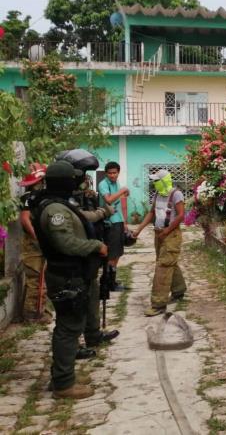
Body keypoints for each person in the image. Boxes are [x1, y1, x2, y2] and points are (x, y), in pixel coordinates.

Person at [32, 160, 108, 399]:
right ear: (64, 182)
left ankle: (62, 376)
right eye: (73, 179)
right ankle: (63, 384)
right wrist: (95, 245)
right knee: (68, 327)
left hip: (73, 273)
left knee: (70, 326)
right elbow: (65, 243)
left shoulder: (60, 205)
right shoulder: (54, 210)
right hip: (66, 275)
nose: (78, 182)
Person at [56, 150, 120, 357]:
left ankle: (93, 334)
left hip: (88, 256)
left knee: (93, 294)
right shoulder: (60, 201)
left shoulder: (83, 196)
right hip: (73, 262)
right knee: (75, 307)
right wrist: (103, 212)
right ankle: (72, 348)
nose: (84, 178)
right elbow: (84, 218)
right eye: (81, 173)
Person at [133, 170, 187, 317]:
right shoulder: (157, 194)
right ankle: (179, 290)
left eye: (157, 180)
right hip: (159, 234)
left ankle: (158, 304)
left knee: (163, 266)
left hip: (171, 235)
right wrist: (139, 229)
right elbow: (151, 213)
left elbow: (181, 215)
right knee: (168, 262)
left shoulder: (176, 194)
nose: (154, 183)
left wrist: (167, 230)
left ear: (164, 181)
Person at [18, 163, 52, 323]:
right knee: (36, 281)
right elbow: (25, 220)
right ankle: (33, 316)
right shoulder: (28, 198)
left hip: (38, 243)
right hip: (33, 246)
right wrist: (37, 238)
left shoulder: (40, 197)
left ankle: (39, 310)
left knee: (40, 279)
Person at [97, 161, 129, 291]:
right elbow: (109, 200)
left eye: (114, 173)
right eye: (110, 173)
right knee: (111, 254)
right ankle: (108, 283)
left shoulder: (117, 184)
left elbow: (121, 203)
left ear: (118, 173)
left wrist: (124, 222)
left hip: (118, 221)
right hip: (109, 223)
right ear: (106, 173)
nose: (112, 175)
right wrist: (122, 191)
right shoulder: (103, 184)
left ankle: (112, 281)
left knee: (117, 253)